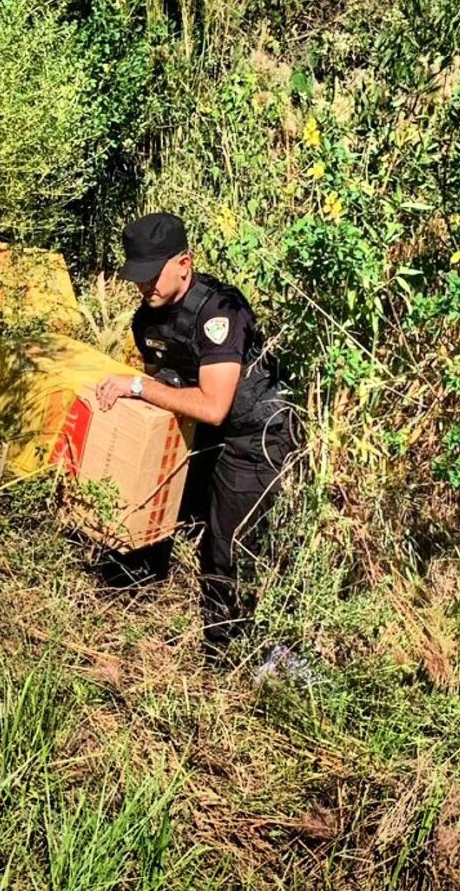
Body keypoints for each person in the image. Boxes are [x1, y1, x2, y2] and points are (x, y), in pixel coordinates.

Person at [95, 211, 298, 663]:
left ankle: (230, 653)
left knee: (227, 546)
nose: (143, 286)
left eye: (152, 275)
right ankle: (137, 602)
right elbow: (164, 390)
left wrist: (138, 387)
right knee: (161, 508)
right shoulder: (145, 320)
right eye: (137, 277)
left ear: (184, 263)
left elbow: (213, 405)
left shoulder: (220, 311)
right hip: (202, 433)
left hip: (251, 437)